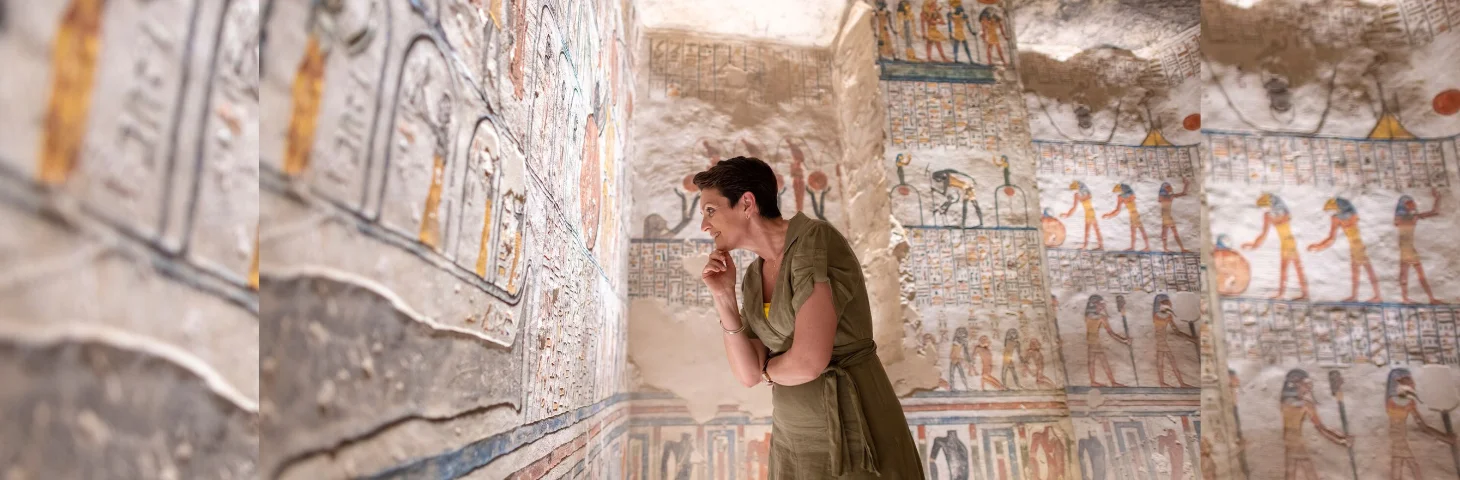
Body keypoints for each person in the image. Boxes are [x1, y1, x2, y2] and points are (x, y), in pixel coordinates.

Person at [697, 157, 925, 478]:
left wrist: (766, 370)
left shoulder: (815, 240)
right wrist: (723, 296)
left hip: (852, 425)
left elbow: (808, 362)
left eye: (710, 210)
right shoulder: (752, 276)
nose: (704, 226)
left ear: (747, 203)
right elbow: (748, 374)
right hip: (794, 438)